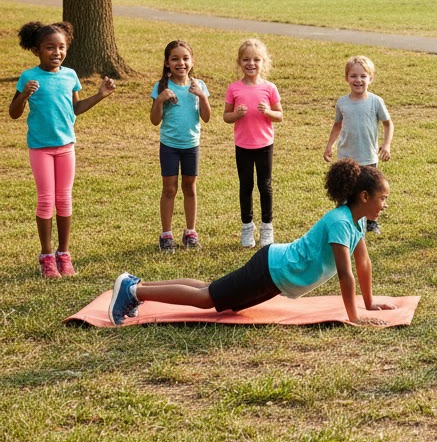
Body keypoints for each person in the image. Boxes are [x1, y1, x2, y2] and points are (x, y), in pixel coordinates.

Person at [108, 160, 396, 325]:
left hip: (274, 273)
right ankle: (135, 290)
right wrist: (355, 317)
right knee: (208, 300)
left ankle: (134, 285)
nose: (384, 205)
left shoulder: (355, 222)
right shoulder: (340, 222)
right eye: (382, 198)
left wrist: (369, 304)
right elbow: (346, 274)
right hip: (271, 270)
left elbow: (363, 263)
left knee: (212, 292)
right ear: (364, 197)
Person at [9, 21, 116, 278]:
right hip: (40, 148)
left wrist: (100, 95)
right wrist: (24, 95)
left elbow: (75, 109)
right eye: (50, 47)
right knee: (46, 200)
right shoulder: (29, 77)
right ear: (36, 50)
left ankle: (64, 254)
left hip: (66, 146)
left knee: (64, 199)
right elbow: (13, 113)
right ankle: (46, 256)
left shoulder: (70, 76)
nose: (56, 52)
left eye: (61, 47)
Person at [150, 40, 212, 252]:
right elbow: (155, 120)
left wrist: (202, 96)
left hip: (191, 145)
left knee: (189, 187)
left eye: (185, 58)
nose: (181, 63)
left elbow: (206, 117)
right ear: (167, 63)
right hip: (169, 145)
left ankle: (190, 231)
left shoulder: (199, 86)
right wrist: (160, 100)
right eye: (175, 59)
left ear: (192, 61)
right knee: (169, 189)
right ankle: (166, 234)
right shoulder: (161, 87)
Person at [323, 54, 393, 234]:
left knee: (369, 191)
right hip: (346, 157)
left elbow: (388, 124)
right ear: (347, 78)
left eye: (363, 76)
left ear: (370, 78)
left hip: (368, 156)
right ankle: (344, 222)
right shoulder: (342, 103)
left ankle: (371, 222)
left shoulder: (375, 101)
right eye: (353, 76)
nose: (358, 80)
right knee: (346, 191)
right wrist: (330, 145)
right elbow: (337, 125)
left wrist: (386, 145)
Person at [224, 38, 282, 249]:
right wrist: (236, 114)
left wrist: (267, 112)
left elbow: (280, 115)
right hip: (243, 145)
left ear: (263, 62)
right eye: (246, 59)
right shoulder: (234, 89)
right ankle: (247, 226)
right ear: (240, 62)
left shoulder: (269, 88)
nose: (251, 64)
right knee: (246, 186)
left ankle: (267, 227)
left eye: (256, 60)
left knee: (265, 186)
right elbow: (226, 116)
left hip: (264, 144)